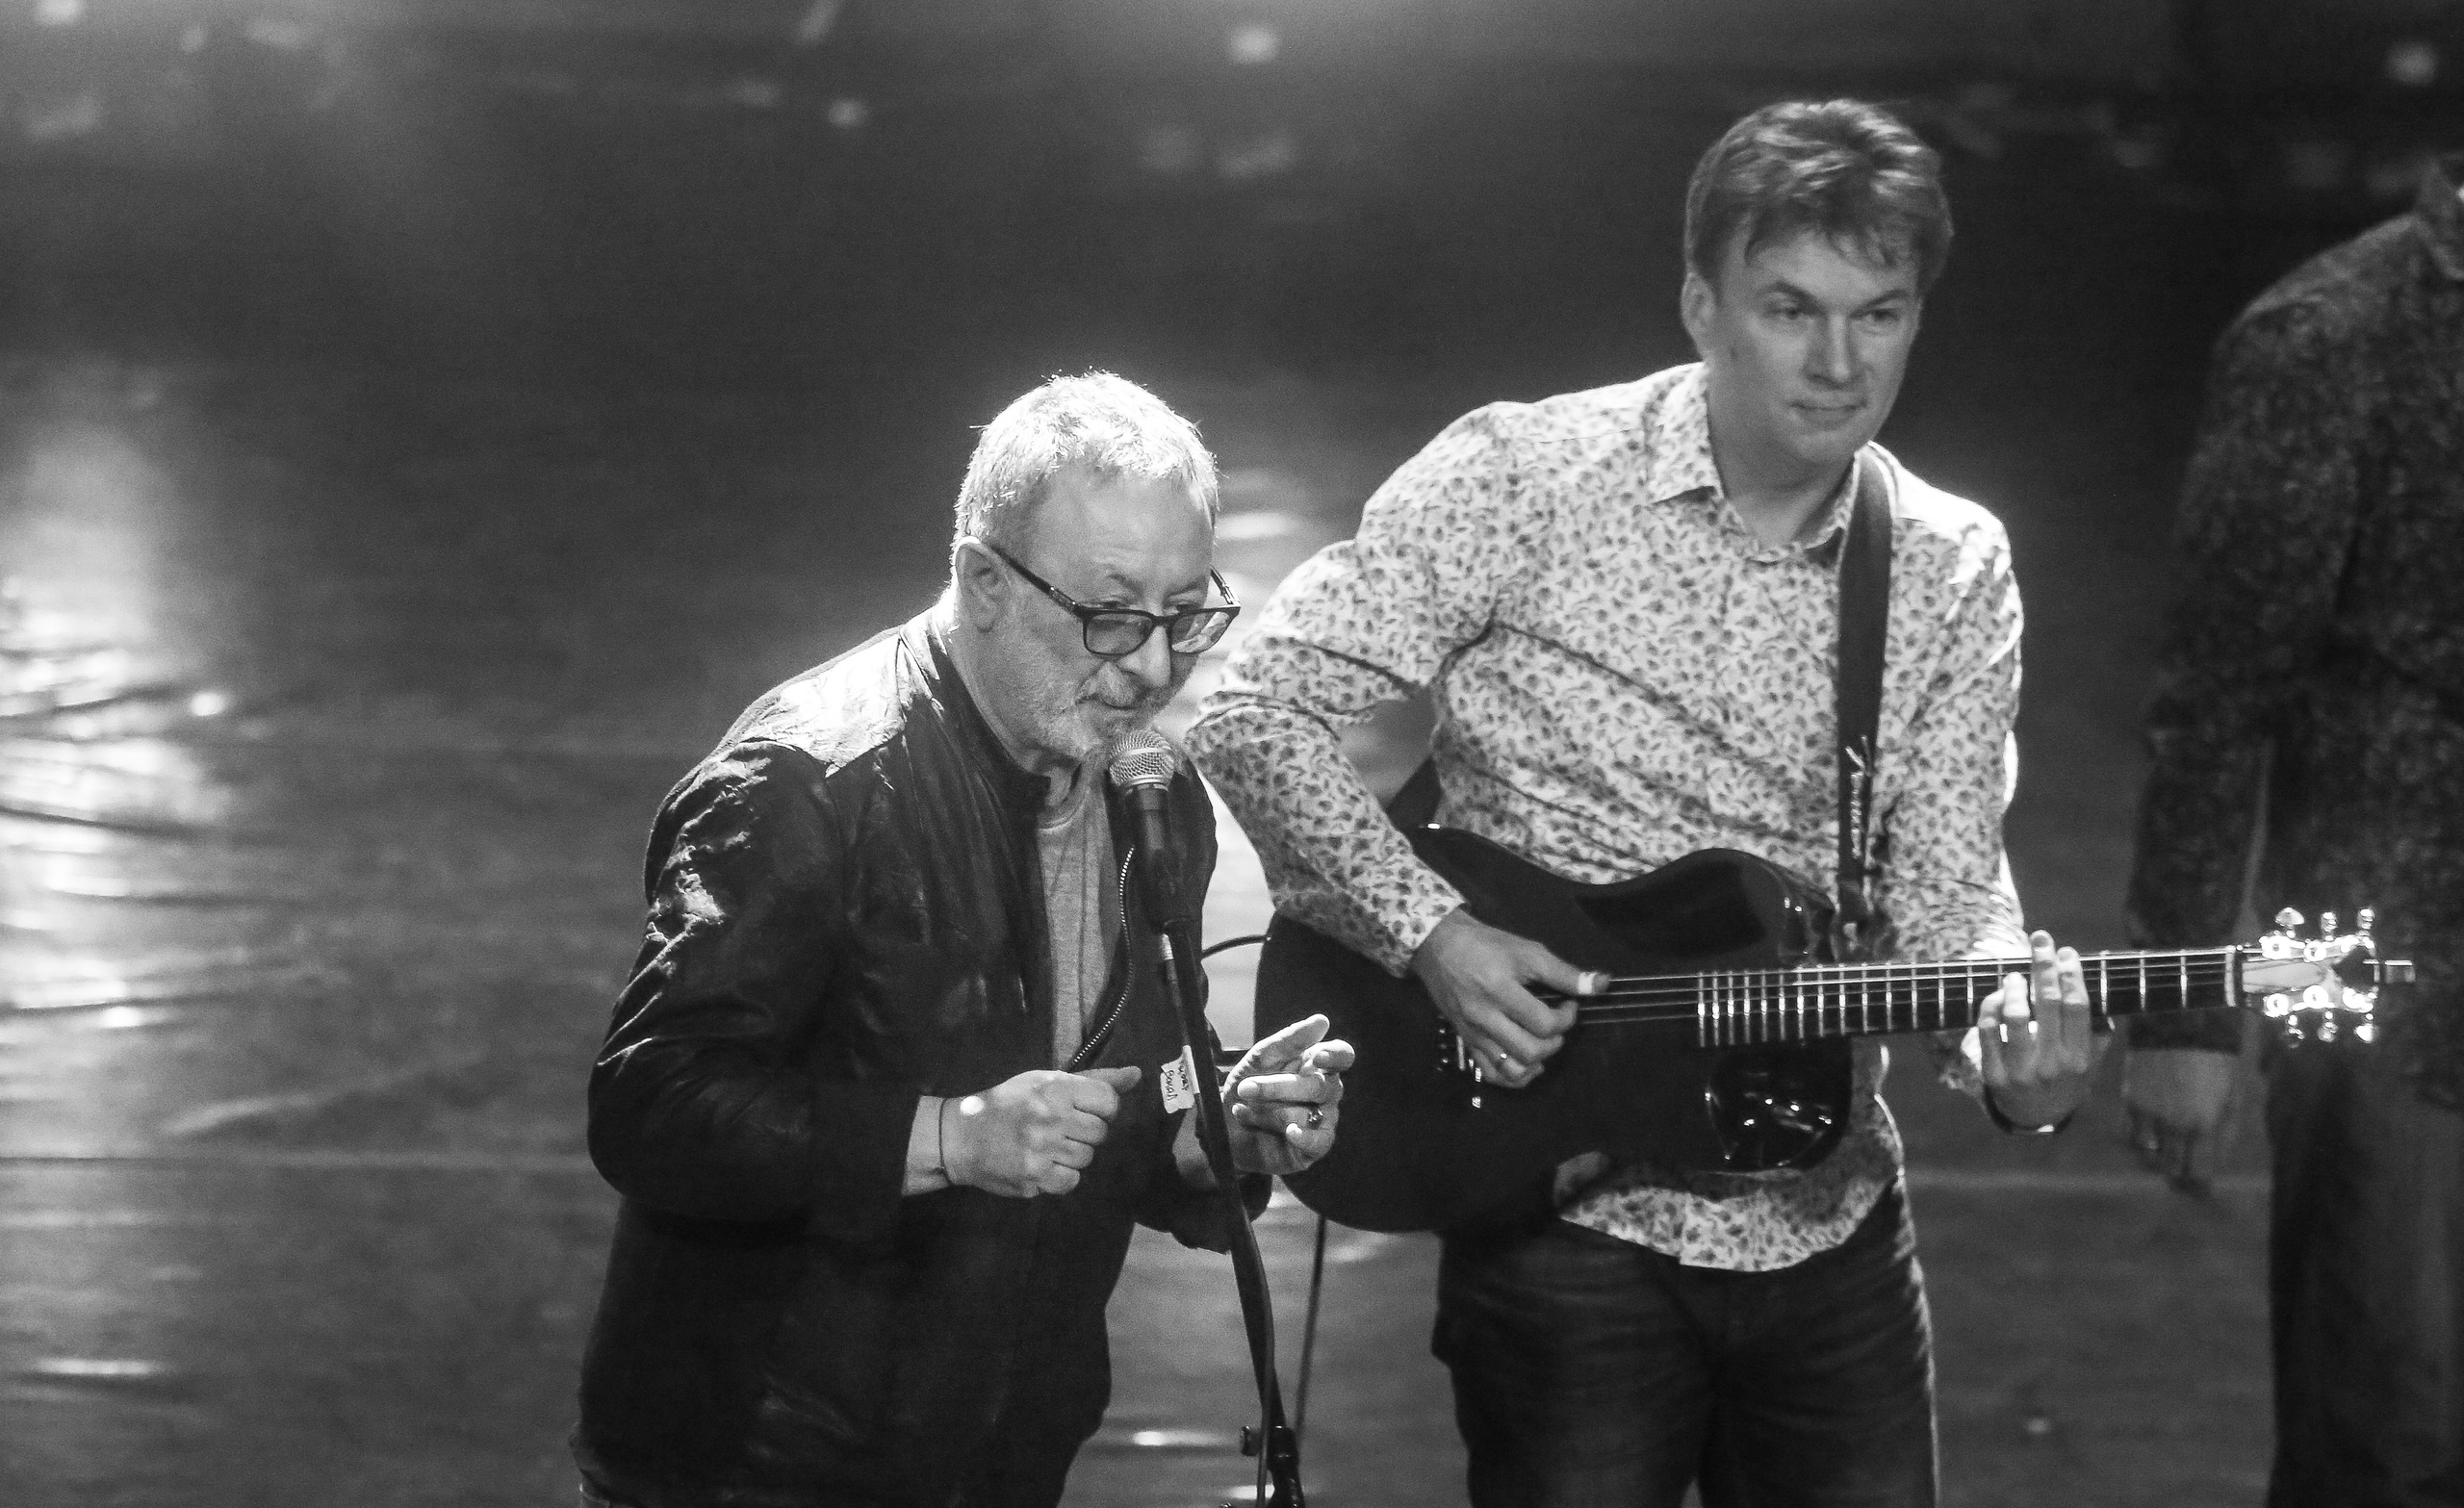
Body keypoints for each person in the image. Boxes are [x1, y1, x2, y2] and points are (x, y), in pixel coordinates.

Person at [1187, 99, 2101, 1507]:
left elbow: (1943, 895)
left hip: (1829, 1211)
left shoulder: (1948, 562)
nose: (1840, 361)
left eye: (1883, 313)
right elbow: (1250, 707)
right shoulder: (1525, 477)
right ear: (1699, 301)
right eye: (1792, 308)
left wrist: (2009, 1054)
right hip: (1559, 1207)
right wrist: (1434, 931)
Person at [571, 372, 1353, 1508]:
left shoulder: (1149, 793)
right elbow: (650, 1108)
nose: (1152, 664)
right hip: (757, 1468)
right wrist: (948, 1136)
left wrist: (1205, 1138)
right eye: (1112, 611)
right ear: (983, 582)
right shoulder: (809, 781)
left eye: (1186, 612)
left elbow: (1085, 1115)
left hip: (997, 1457)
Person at [2121, 154, 2464, 1507]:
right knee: (2389, 1435)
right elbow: (2215, 698)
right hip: (2381, 975)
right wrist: (2189, 1010)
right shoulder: (2329, 335)